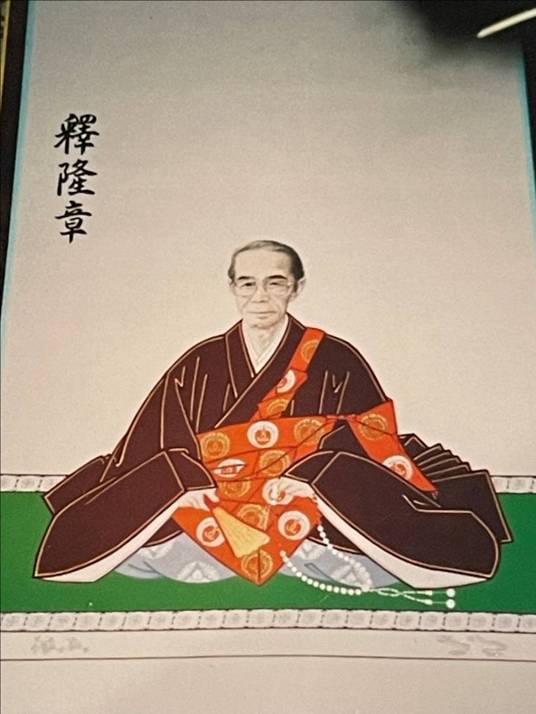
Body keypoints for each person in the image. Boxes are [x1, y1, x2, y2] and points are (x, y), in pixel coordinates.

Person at [34, 240, 511, 589]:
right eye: (247, 283)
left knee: (374, 533)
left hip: (304, 493)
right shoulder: (200, 362)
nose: (260, 295)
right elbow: (157, 439)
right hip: (213, 492)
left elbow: (372, 436)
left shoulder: (336, 357)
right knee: (138, 525)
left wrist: (316, 477)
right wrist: (186, 484)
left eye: (275, 282)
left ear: (296, 288)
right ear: (232, 288)